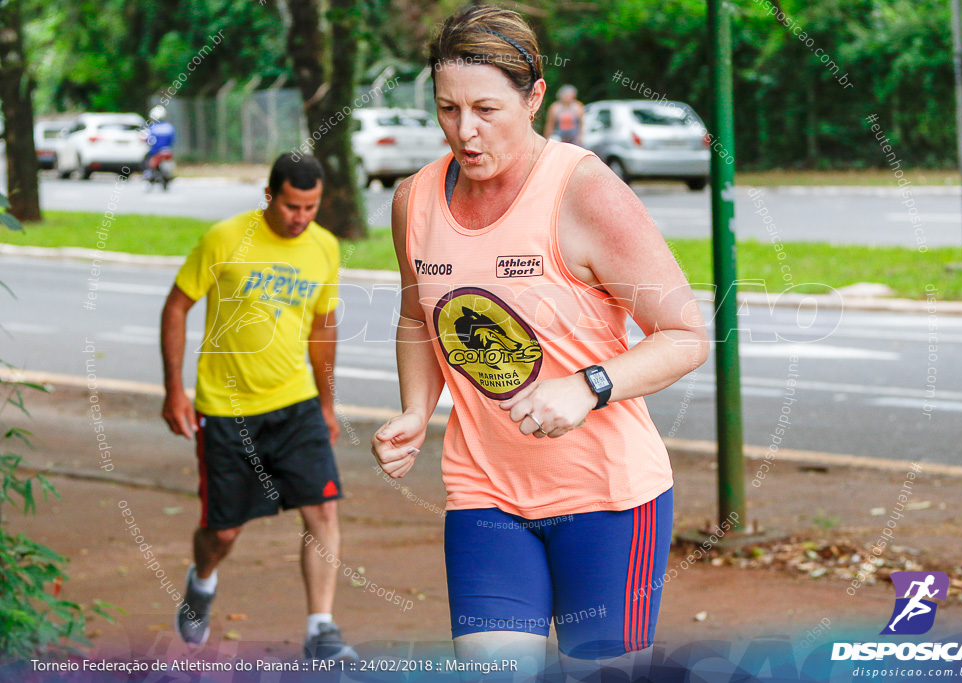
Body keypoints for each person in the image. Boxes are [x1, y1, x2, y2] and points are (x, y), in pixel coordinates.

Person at [370, 6, 709, 678]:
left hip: (607, 500)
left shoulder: (584, 193)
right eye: (447, 108)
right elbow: (418, 316)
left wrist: (588, 387)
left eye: (486, 109)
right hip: (484, 493)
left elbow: (686, 335)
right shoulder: (414, 200)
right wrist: (415, 408)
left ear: (535, 99)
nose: (465, 131)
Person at [160, 154, 356, 662]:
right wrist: (174, 390)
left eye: (311, 207)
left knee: (323, 510)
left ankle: (321, 630)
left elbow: (322, 329)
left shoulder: (325, 249)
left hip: (296, 406)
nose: (301, 217)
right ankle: (201, 581)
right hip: (226, 414)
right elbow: (177, 307)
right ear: (271, 196)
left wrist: (328, 404)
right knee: (223, 532)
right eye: (293, 206)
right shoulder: (225, 239)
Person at [143, 106, 175, 180]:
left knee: (146, 159)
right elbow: (172, 140)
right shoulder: (169, 126)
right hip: (167, 150)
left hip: (156, 152)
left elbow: (148, 139)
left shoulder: (152, 127)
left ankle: (147, 173)